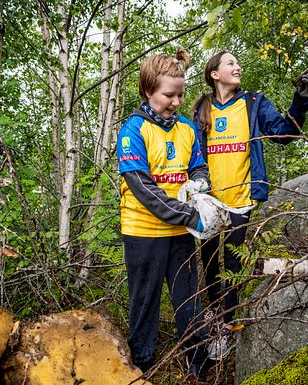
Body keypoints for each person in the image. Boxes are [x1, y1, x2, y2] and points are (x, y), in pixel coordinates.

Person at [191, 51, 308, 359]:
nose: (237, 67)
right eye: (230, 63)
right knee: (208, 262)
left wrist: (301, 100)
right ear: (214, 74)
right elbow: (193, 148)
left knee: (233, 264)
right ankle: (211, 312)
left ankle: (227, 325)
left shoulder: (253, 102)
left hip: (241, 198)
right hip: (210, 201)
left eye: (237, 63)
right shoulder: (202, 107)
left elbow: (283, 134)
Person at [116, 48, 211, 382]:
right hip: (143, 232)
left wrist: (199, 184)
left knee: (189, 299)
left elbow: (198, 166)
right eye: (168, 95)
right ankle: (142, 366)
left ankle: (199, 362)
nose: (175, 102)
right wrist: (188, 215)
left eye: (180, 94)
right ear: (148, 91)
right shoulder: (132, 131)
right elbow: (144, 189)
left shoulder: (187, 128)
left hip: (181, 234)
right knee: (144, 302)